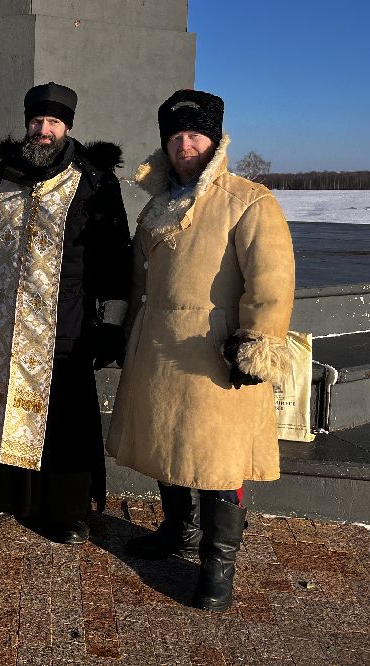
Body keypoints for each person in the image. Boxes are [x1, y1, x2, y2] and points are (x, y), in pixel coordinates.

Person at [107, 89, 295, 612]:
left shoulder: (248, 200)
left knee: (217, 461)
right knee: (168, 443)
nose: (184, 144)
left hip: (214, 350)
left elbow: (272, 281)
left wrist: (257, 344)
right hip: (160, 345)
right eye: (174, 136)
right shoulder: (155, 207)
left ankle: (218, 562)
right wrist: (127, 332)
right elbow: (138, 279)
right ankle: (175, 529)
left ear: (214, 140)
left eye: (195, 134)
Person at [0, 82, 131, 544]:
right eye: (37, 122)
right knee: (6, 407)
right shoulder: (6, 174)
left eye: (54, 123)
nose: (44, 131)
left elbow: (115, 255)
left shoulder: (93, 179)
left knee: (65, 418)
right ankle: (12, 497)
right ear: (27, 124)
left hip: (69, 322)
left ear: (68, 127)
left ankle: (67, 510)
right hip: (10, 320)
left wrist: (111, 324)